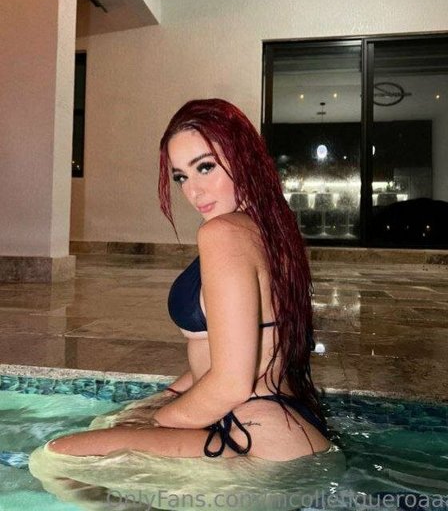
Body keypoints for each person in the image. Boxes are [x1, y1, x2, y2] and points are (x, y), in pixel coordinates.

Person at [46, 98, 330, 461]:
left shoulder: (224, 233)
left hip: (256, 434)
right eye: (181, 176)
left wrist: (155, 421)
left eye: (205, 167)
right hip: (279, 424)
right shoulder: (271, 229)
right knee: (104, 431)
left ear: (243, 158)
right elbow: (228, 355)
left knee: (59, 455)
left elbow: (231, 383)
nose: (193, 192)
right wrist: (165, 397)